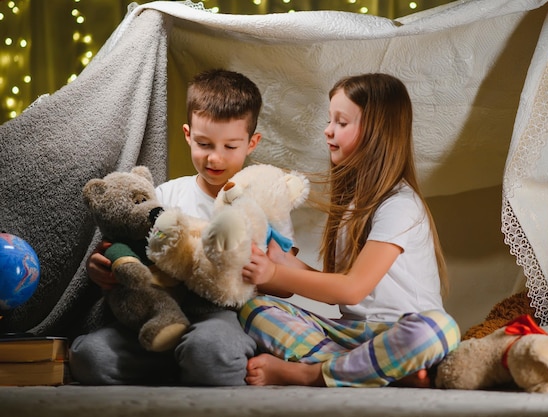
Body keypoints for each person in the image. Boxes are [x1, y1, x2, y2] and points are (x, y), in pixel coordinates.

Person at [237, 73, 461, 388]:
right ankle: (380, 371)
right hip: (350, 334)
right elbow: (341, 292)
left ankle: (314, 374)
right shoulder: (353, 204)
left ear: (377, 133)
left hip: (401, 331)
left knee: (439, 330)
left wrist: (274, 274)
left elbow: (352, 289)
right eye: (331, 121)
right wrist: (287, 264)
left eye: (341, 123)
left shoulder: (400, 204)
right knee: (253, 308)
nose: (328, 131)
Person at [70, 69, 291, 386]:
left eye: (230, 146)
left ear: (252, 143)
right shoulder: (167, 194)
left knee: (211, 353)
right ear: (188, 134)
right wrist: (100, 267)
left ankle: (193, 361)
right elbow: (125, 246)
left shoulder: (261, 201)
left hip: (219, 312)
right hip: (160, 308)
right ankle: (181, 362)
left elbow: (286, 285)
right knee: (91, 357)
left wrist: (262, 270)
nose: (215, 158)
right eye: (204, 143)